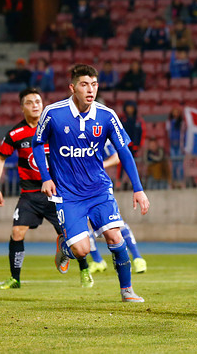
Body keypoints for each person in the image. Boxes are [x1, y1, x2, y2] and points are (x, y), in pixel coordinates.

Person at [32, 64, 150, 302]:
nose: (90, 90)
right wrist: (45, 177)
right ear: (72, 87)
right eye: (84, 84)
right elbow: (37, 143)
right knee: (82, 250)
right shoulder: (53, 113)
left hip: (99, 190)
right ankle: (65, 247)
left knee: (115, 237)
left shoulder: (107, 115)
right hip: (68, 194)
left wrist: (138, 188)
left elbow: (124, 152)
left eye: (94, 84)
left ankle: (126, 290)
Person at [0, 88, 93, 289]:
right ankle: (15, 279)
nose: (35, 105)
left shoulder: (55, 127)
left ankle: (84, 270)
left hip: (57, 192)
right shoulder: (15, 133)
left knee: (72, 235)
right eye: (29, 102)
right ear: (22, 108)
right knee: (17, 232)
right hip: (30, 194)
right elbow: (0, 157)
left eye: (38, 101)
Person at [88, 140, 147, 274]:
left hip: (99, 186)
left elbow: (116, 158)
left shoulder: (100, 132)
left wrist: (100, 165)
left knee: (115, 223)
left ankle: (138, 258)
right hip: (77, 187)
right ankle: (97, 261)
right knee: (83, 227)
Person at [167, 107, 185, 187]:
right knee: (173, 165)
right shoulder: (169, 122)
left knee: (180, 165)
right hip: (172, 144)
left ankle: (181, 181)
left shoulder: (182, 123)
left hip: (179, 145)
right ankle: (174, 182)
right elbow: (168, 133)